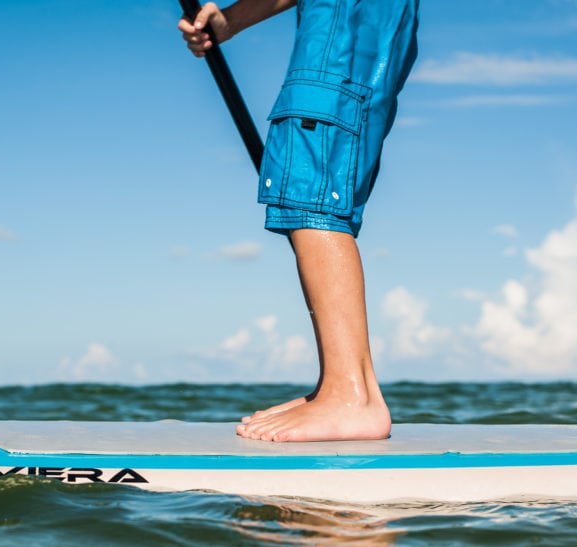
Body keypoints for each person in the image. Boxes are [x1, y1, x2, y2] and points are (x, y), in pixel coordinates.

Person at [178, 0, 419, 442]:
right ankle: (347, 387)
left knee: (313, 190)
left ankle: (352, 398)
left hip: (343, 24)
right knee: (317, 188)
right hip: (354, 22)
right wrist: (230, 20)